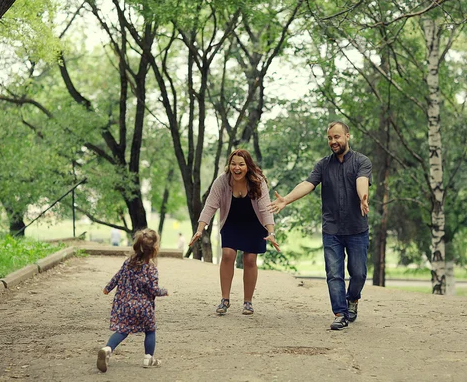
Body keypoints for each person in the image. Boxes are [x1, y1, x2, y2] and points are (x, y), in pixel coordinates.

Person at [268, 121, 371, 330]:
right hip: (331, 229)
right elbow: (308, 184)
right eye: (330, 138)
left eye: (337, 137)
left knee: (358, 273)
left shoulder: (362, 161)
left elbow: (362, 180)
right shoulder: (323, 165)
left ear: (347, 137)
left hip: (356, 228)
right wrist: (286, 199)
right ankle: (340, 313)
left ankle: (353, 299)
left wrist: (363, 197)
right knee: (334, 273)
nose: (333, 141)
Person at [189, 149, 280, 316]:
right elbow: (210, 206)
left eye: (241, 164)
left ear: (248, 166)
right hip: (232, 221)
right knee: (228, 254)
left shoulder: (258, 182)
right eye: (233, 164)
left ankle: (248, 302)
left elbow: (266, 209)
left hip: (254, 223)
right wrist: (200, 229)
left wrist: (271, 232)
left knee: (250, 259)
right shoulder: (222, 182)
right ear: (229, 166)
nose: (237, 168)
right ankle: (225, 299)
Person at [97, 228, 168, 372]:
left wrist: (107, 288)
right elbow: (153, 289)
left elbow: (117, 276)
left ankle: (107, 348)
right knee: (150, 330)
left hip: (125, 305)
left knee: (122, 330)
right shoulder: (151, 269)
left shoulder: (128, 262)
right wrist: (164, 292)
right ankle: (148, 358)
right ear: (154, 250)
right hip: (143, 307)